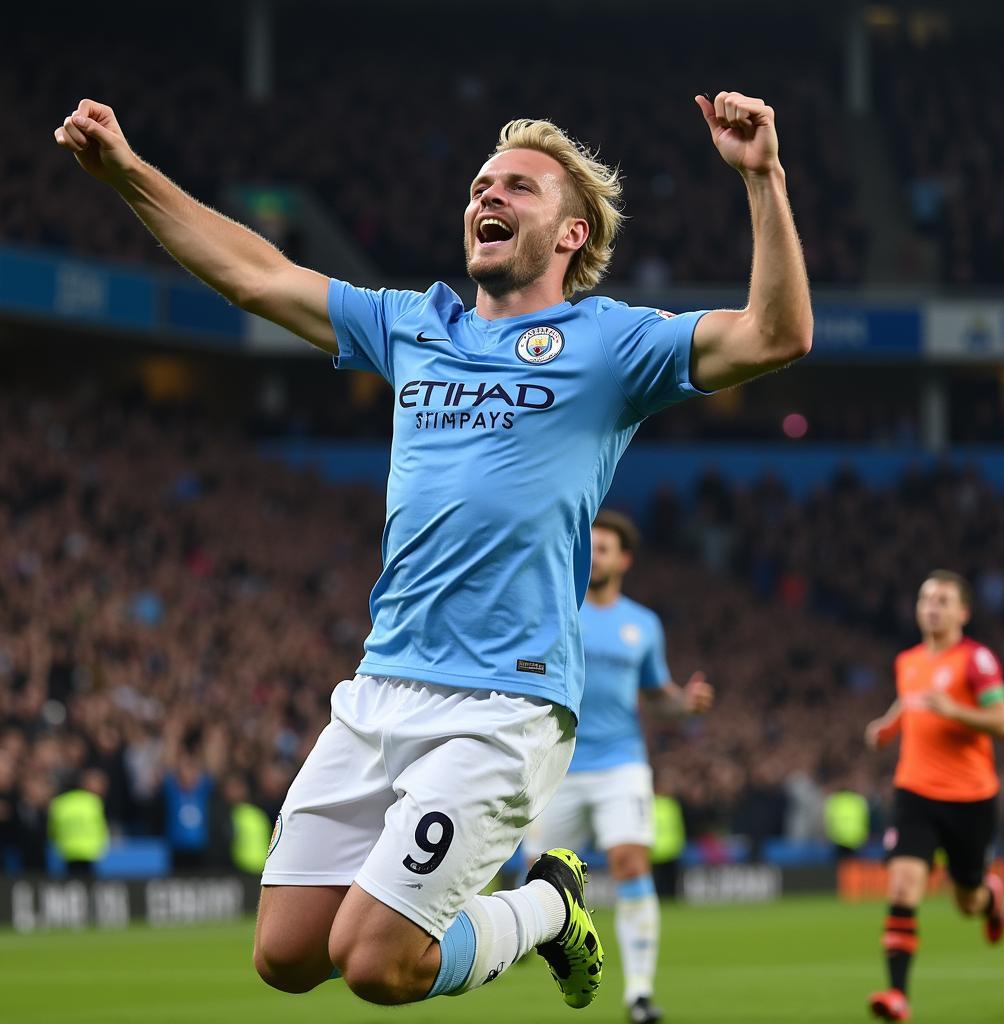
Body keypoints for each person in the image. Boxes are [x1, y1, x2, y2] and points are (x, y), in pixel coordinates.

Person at [55, 90, 812, 1009]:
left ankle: (545, 912)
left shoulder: (611, 343)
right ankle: (541, 907)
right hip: (381, 688)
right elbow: (260, 277)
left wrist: (763, 178)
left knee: (378, 966)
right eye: (481, 183)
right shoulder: (416, 325)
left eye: (519, 188)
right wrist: (130, 176)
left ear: (572, 234)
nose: (488, 195)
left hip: (507, 699)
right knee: (288, 956)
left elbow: (778, 335)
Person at [528, 509, 714, 1024]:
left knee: (632, 862)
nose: (597, 553)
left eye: (606, 546)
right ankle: (535, 954)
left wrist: (685, 703)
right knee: (539, 879)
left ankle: (638, 994)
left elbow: (656, 698)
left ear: (625, 558)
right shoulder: (559, 611)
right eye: (592, 545)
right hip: (558, 763)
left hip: (621, 763)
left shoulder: (643, 625)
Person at [865, 570, 1004, 1022]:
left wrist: (957, 710)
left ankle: (989, 896)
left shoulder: (977, 661)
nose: (932, 607)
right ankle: (897, 995)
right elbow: (909, 701)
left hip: (970, 797)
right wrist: (887, 728)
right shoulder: (908, 661)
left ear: (963, 613)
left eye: (943, 600)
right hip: (915, 790)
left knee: (966, 900)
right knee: (903, 883)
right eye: (925, 598)